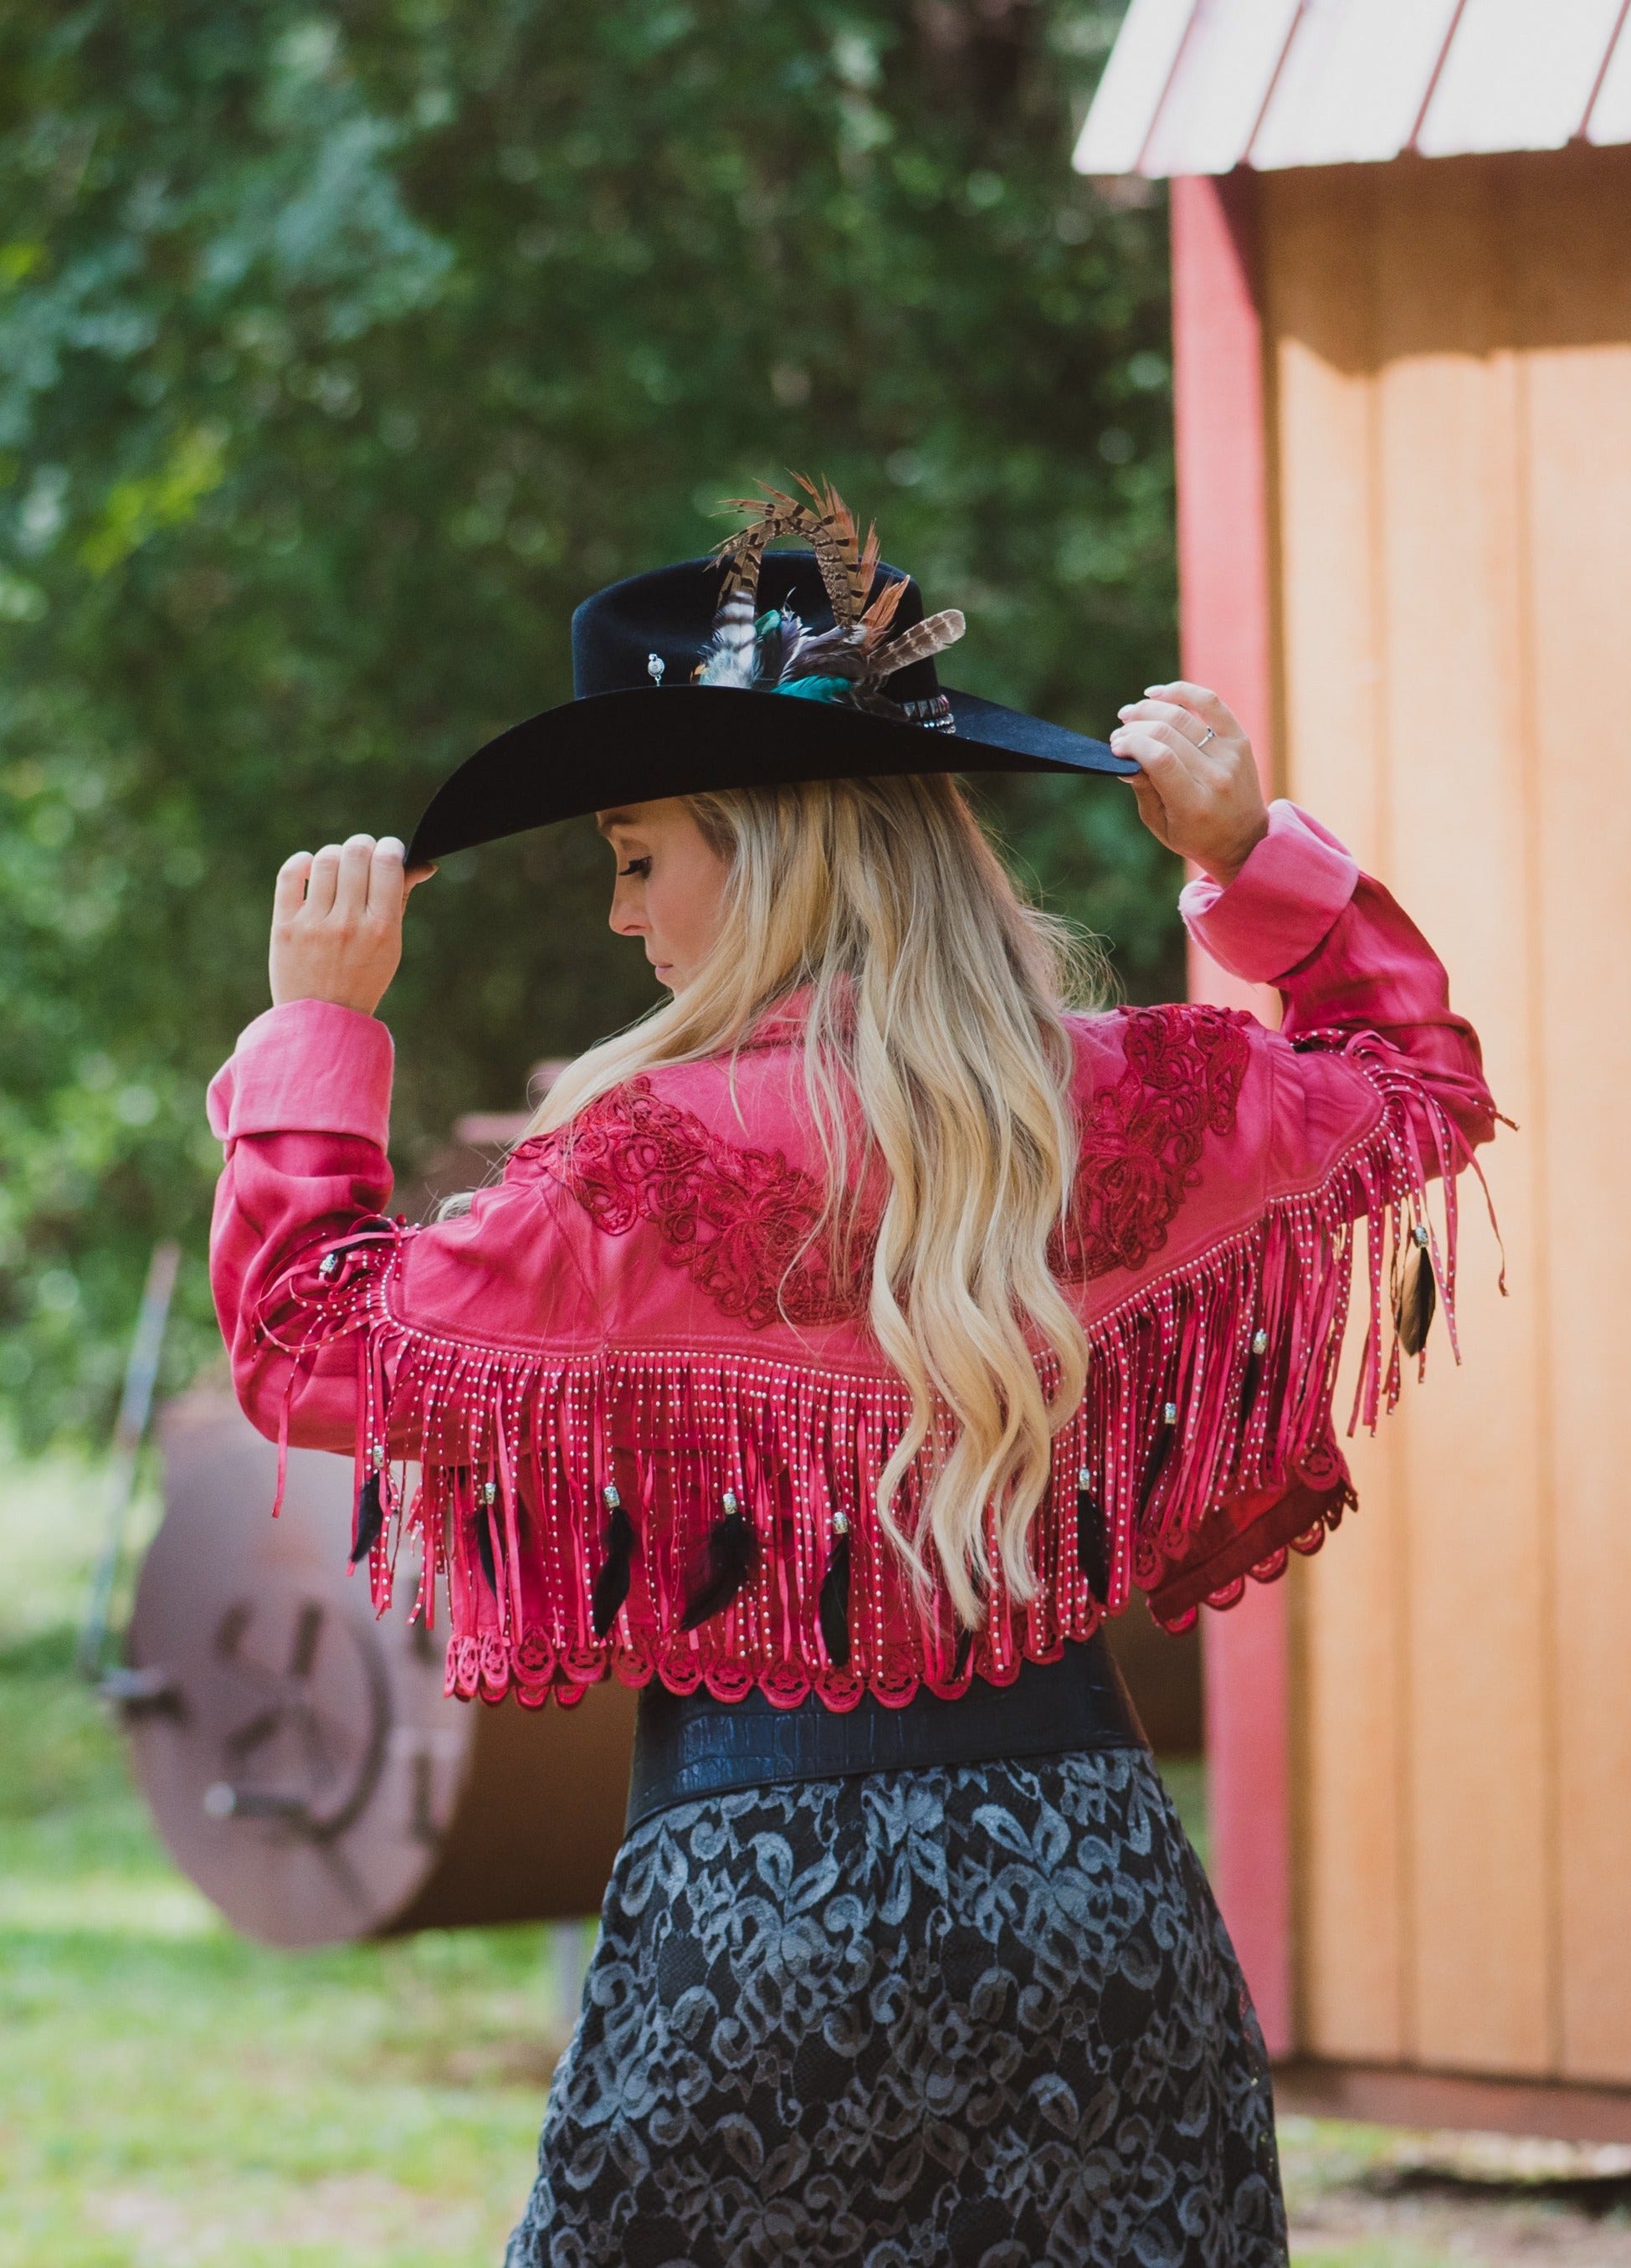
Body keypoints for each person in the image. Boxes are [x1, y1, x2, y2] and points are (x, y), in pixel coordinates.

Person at [208, 481, 1496, 2267]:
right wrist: (1246, 850)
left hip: (757, 1924)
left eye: (639, 854)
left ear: (764, 850)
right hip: (1092, 1900)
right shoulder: (1131, 1098)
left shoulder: (630, 1172)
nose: (624, 914)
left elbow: (306, 1341)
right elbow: (1416, 1084)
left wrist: (319, 1025)